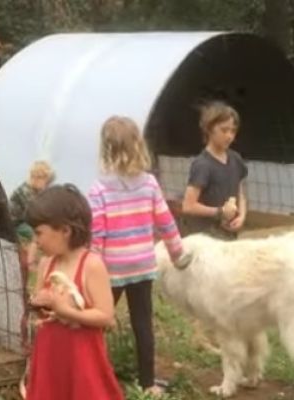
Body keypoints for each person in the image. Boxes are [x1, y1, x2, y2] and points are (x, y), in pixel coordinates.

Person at [88, 116, 190, 396]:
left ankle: (95, 376)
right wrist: (178, 254)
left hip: (111, 269)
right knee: (143, 324)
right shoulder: (149, 184)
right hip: (143, 265)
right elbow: (166, 222)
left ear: (106, 149)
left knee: (98, 322)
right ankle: (148, 383)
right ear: (138, 145)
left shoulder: (99, 189)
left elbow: (96, 235)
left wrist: (90, 269)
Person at [24, 184, 124, 400]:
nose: (36, 241)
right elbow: (43, 304)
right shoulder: (46, 264)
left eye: (39, 233)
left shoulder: (92, 265)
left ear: (65, 231)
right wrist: (39, 303)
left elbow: (105, 316)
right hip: (50, 354)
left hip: (81, 359)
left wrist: (67, 312)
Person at [182, 101, 248, 240]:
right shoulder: (202, 165)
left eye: (233, 131)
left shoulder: (235, 159)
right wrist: (219, 212)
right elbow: (188, 206)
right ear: (209, 129)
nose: (229, 136)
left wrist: (241, 216)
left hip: (228, 236)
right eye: (224, 130)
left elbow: (240, 192)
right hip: (206, 239)